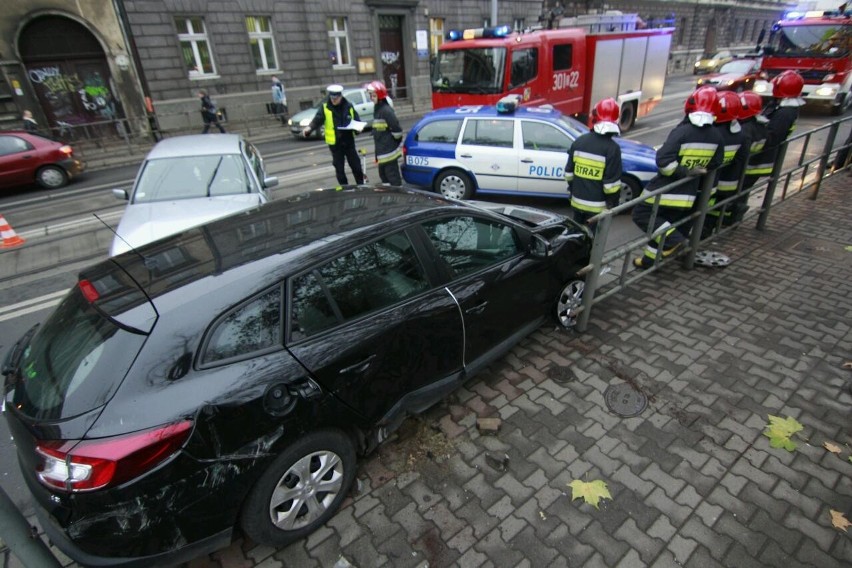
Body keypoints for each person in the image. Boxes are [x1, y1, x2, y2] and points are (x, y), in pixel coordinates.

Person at [631, 86, 724, 269]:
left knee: (641, 215)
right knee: (664, 226)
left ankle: (676, 241)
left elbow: (664, 161)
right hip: (688, 195)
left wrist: (684, 170)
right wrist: (695, 169)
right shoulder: (716, 136)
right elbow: (716, 162)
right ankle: (649, 261)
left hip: (665, 190)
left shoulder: (682, 132)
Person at [739, 70, 804, 202]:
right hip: (757, 159)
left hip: (757, 161)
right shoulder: (782, 107)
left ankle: (731, 219)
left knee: (740, 192)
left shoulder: (785, 113)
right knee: (740, 192)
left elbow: (771, 138)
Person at [563, 97, 623, 226]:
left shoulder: (579, 141)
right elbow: (611, 187)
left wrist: (574, 191)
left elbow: (568, 174)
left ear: (595, 118)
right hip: (597, 209)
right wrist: (613, 205)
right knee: (593, 242)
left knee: (577, 237)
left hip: (576, 203)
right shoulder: (613, 148)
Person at [703, 90, 750, 234]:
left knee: (704, 213)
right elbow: (742, 158)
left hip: (712, 182)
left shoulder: (712, 133)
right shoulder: (741, 134)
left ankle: (701, 237)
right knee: (716, 210)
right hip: (729, 182)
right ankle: (708, 233)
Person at [303, 84, 365, 185]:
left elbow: (357, 120)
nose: (333, 100)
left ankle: (361, 186)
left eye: (335, 98)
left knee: (356, 167)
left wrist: (358, 129)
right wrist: (309, 129)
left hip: (348, 142)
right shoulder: (325, 108)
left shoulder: (348, 106)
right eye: (331, 98)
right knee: (339, 171)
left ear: (340, 96)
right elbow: (317, 120)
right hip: (335, 145)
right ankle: (344, 189)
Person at [364, 80, 403, 185]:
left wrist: (391, 144)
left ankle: (398, 197)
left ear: (379, 96)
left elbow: (397, 131)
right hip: (382, 152)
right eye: (370, 95)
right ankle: (389, 198)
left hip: (388, 153)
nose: (371, 98)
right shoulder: (378, 109)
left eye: (373, 95)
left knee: (393, 178)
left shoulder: (386, 111)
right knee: (384, 177)